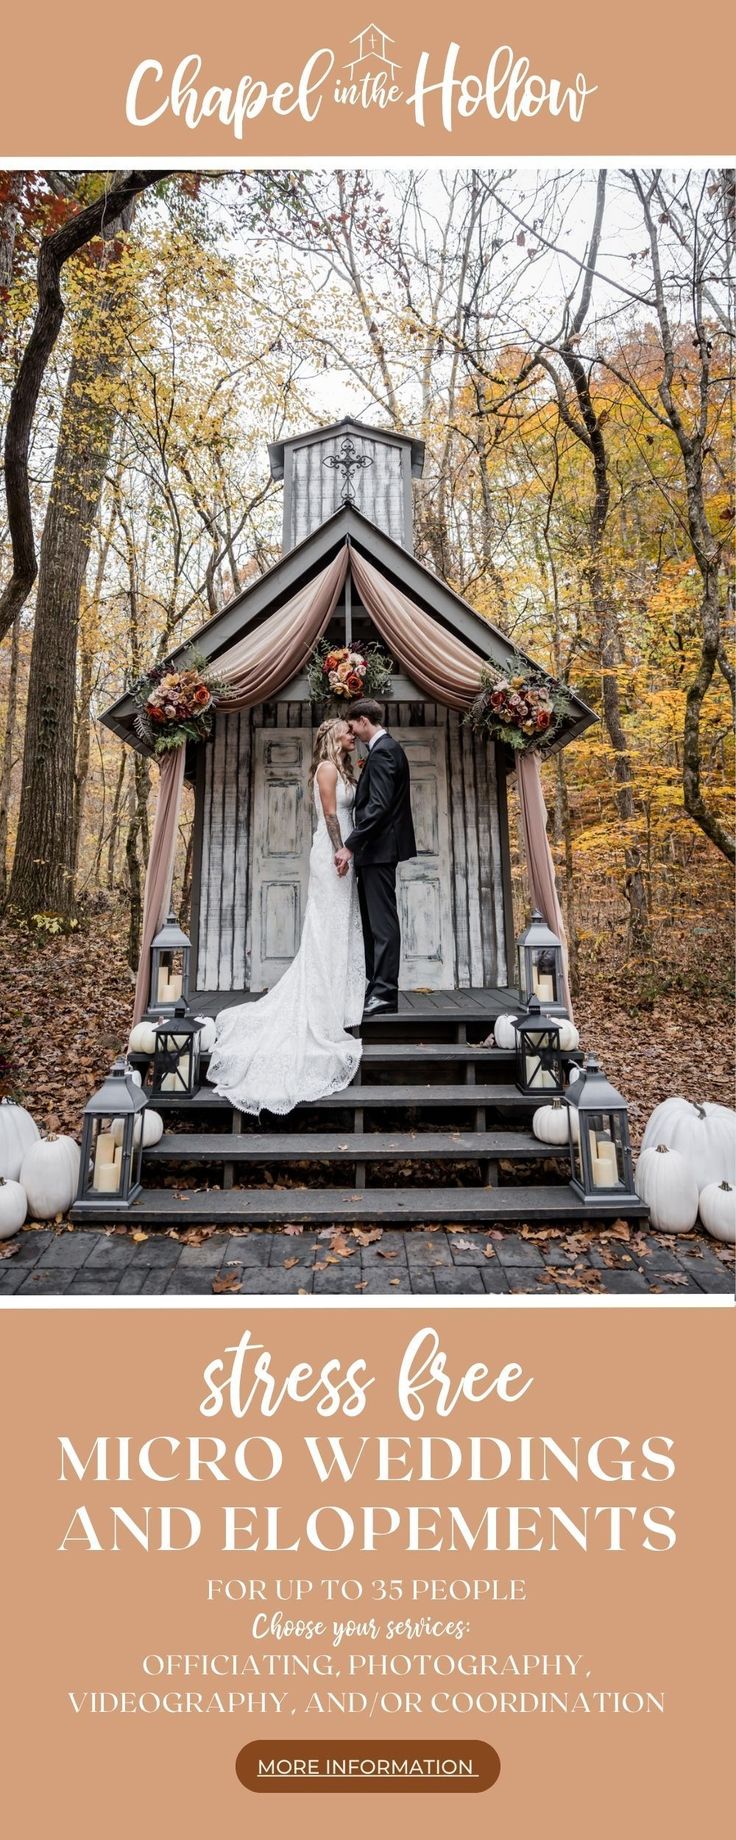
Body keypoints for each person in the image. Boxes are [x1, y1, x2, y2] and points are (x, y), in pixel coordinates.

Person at [207, 719, 365, 1114]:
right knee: (325, 927)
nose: (352, 736)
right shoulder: (327, 770)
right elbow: (331, 815)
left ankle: (339, 999)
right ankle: (322, 1004)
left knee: (339, 926)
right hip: (333, 855)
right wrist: (339, 851)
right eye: (347, 731)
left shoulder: (343, 767)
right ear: (332, 737)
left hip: (345, 853)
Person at [334, 698, 417, 1016]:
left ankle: (384, 993)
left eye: (352, 724)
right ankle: (375, 987)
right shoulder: (382, 751)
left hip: (379, 850)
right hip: (377, 850)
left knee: (382, 924)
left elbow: (378, 806)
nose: (351, 731)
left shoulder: (383, 752)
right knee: (373, 923)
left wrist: (350, 844)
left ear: (364, 721)